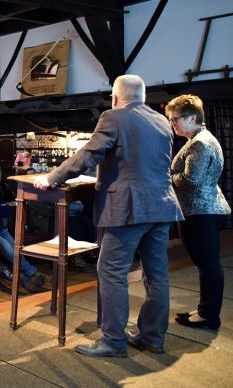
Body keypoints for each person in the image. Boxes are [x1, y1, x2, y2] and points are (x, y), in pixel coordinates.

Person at [33, 74, 183, 357]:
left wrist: (53, 177)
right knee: (157, 275)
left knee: (111, 271)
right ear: (143, 95)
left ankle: (113, 341)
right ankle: (153, 337)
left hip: (128, 207)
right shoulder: (162, 121)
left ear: (115, 97)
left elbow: (88, 154)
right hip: (161, 207)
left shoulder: (114, 117)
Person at [166, 94, 231, 331]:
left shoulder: (200, 143)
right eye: (171, 120)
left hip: (201, 212)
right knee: (207, 264)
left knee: (208, 265)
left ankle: (208, 316)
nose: (172, 124)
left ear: (193, 117)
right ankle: (205, 310)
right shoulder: (199, 138)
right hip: (203, 210)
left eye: (175, 119)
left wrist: (167, 176)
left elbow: (190, 180)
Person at [0, 171, 50, 293]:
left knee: (16, 250)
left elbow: (8, 211)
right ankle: (32, 273)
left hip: (1, 229)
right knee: (9, 250)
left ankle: (30, 278)